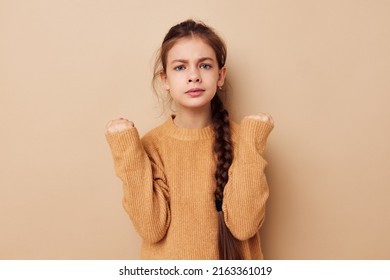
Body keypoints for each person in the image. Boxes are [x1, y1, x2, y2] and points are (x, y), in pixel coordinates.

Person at [105, 19, 274, 260]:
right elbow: (150, 228)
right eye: (180, 67)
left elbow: (244, 226)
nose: (193, 76)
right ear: (165, 80)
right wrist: (126, 148)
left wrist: (253, 140)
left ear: (220, 75)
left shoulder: (243, 140)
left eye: (204, 66)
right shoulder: (152, 145)